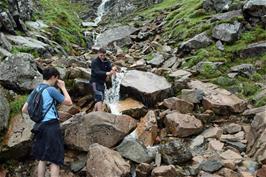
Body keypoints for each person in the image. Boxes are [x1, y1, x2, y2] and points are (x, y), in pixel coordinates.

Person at [22, 67, 72, 177]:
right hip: (51, 127)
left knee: (42, 157)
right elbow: (69, 102)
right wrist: (63, 87)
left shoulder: (36, 89)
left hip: (39, 126)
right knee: (55, 159)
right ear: (53, 77)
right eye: (56, 78)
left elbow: (24, 109)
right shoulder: (51, 90)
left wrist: (38, 116)